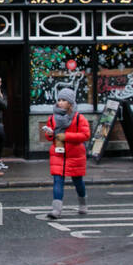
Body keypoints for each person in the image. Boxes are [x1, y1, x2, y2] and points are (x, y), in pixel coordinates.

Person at [44, 89, 91, 217]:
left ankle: (83, 204)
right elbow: (51, 136)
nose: (60, 103)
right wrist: (49, 135)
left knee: (78, 181)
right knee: (57, 180)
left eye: (63, 100)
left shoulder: (78, 118)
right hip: (58, 154)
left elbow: (85, 135)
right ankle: (56, 210)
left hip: (75, 154)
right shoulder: (52, 118)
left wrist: (66, 136)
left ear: (70, 103)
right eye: (59, 100)